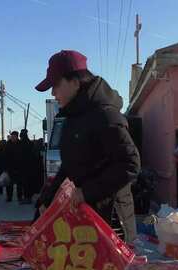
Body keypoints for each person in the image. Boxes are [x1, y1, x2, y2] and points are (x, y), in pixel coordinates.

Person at [35, 50, 141, 242]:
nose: (53, 93)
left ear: (76, 82)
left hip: (111, 224)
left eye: (56, 85)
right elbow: (71, 166)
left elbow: (130, 163)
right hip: (86, 221)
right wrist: (47, 199)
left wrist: (86, 192)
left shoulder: (105, 115)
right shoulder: (73, 117)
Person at [5, 131, 23, 202]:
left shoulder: (20, 144)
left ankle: (19, 197)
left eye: (14, 136)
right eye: (12, 136)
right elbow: (5, 156)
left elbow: (22, 156)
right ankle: (9, 197)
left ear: (17, 136)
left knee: (19, 184)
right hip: (10, 167)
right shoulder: (8, 144)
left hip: (19, 167)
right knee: (9, 183)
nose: (13, 138)